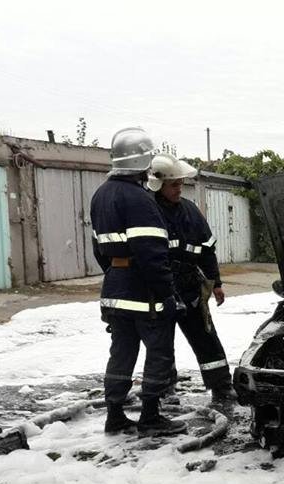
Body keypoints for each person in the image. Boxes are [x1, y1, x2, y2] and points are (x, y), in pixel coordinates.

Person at [90, 128, 187, 436]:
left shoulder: (101, 195)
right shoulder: (139, 199)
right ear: (144, 161)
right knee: (159, 352)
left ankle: (115, 415)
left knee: (121, 353)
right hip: (144, 292)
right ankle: (149, 416)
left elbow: (99, 249)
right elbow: (152, 255)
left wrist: (116, 272)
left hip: (115, 289)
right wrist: (167, 294)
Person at [147, 154, 236, 403]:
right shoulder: (147, 210)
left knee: (206, 338)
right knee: (162, 343)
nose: (179, 189)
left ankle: (221, 385)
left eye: (180, 184)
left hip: (190, 286)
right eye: (174, 184)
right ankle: (164, 386)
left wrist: (216, 283)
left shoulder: (190, 210)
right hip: (161, 288)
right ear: (159, 185)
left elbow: (207, 250)